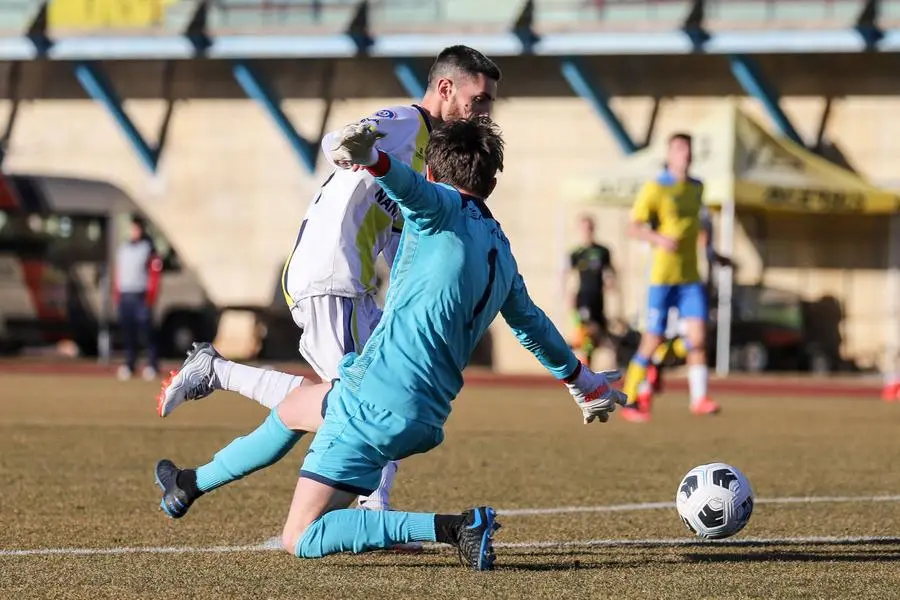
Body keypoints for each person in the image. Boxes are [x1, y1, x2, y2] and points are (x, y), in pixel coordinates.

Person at [153, 116, 627, 571]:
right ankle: (190, 484)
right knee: (297, 407)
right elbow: (534, 326)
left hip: (373, 402)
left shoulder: (438, 208)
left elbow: (405, 185)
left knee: (300, 538)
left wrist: (373, 158)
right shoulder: (501, 251)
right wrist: (582, 381)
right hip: (424, 414)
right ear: (492, 184)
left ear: (433, 170)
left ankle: (454, 527)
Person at [156, 45, 501, 516]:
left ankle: (214, 391)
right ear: (446, 89)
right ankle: (372, 508)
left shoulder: (433, 155)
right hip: (330, 273)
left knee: (364, 395)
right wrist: (349, 148)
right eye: (479, 99)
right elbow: (337, 140)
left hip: (353, 283)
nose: (484, 113)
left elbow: (399, 238)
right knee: (360, 405)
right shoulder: (405, 122)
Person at [620, 133, 727, 423]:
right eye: (680, 149)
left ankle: (699, 399)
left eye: (689, 149)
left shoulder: (697, 187)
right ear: (669, 154)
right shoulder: (655, 188)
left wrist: (714, 254)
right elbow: (633, 228)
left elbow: (700, 225)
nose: (685, 154)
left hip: (691, 277)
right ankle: (630, 399)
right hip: (662, 277)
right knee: (651, 339)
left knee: (699, 338)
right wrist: (659, 239)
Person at [114, 215, 161, 381]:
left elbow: (155, 275)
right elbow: (119, 273)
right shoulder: (124, 249)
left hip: (140, 295)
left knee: (146, 332)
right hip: (126, 294)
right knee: (129, 333)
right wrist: (117, 294)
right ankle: (130, 364)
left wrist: (151, 296)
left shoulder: (148, 249)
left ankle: (152, 364)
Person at [566, 214, 616, 367]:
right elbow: (568, 274)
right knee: (587, 331)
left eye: (589, 227)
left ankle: (574, 349)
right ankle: (575, 355)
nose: (587, 231)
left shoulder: (603, 251)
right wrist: (568, 296)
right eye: (584, 228)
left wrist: (611, 282)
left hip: (598, 298)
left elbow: (611, 271)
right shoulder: (576, 253)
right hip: (583, 298)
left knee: (599, 334)